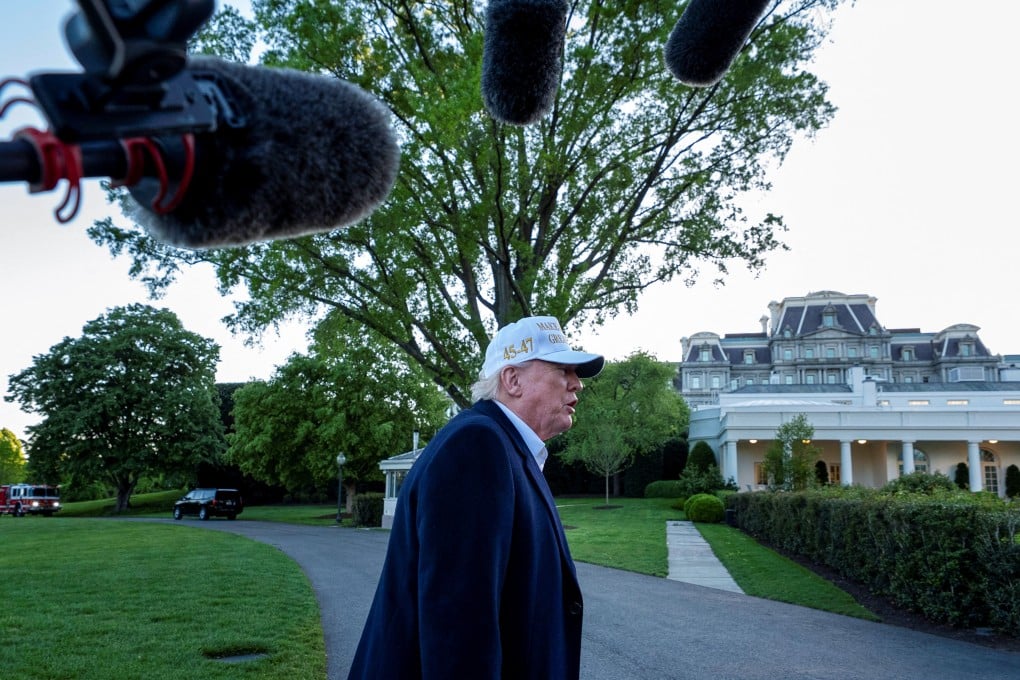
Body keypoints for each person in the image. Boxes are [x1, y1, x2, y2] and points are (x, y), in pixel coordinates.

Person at [348, 315, 604, 680]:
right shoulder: (477, 446)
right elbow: (459, 626)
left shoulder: (506, 448)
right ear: (512, 379)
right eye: (563, 370)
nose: (577, 384)